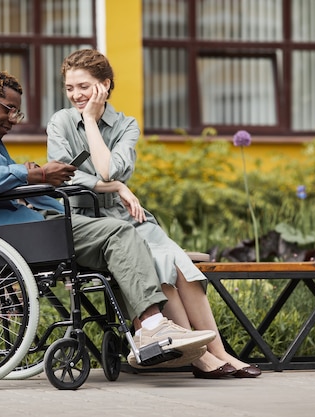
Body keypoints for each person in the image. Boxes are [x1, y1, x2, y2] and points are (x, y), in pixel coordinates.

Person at [0, 70, 216, 368]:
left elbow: (4, 182)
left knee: (121, 236)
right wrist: (36, 174)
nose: (14, 118)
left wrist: (41, 177)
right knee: (117, 234)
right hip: (8, 235)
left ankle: (148, 329)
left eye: (17, 111)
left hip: (32, 226)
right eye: (9, 109)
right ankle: (150, 326)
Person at [46, 49, 261, 378]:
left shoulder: (126, 125)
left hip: (127, 216)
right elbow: (72, 175)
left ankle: (219, 352)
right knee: (159, 263)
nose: (76, 95)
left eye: (84, 87)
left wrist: (95, 130)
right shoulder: (60, 122)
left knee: (181, 265)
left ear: (104, 85)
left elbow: (108, 169)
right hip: (87, 219)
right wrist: (114, 183)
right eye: (70, 88)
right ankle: (200, 358)